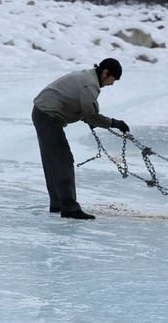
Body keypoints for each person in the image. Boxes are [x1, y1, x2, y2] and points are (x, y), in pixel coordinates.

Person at [32, 58, 130, 220]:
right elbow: (91, 115)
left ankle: (58, 203)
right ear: (105, 73)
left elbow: (82, 107)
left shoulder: (89, 78)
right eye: (113, 79)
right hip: (48, 116)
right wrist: (114, 123)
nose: (112, 84)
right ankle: (69, 207)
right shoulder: (89, 85)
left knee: (53, 161)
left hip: (43, 113)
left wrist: (89, 118)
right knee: (63, 160)